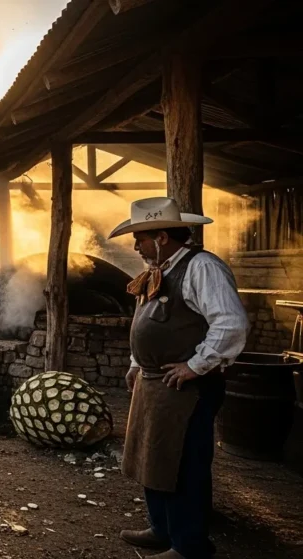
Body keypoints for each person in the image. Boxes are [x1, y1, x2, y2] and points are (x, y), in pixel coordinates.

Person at [108, 197, 249, 559]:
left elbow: (230, 324)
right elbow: (148, 325)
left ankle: (189, 546)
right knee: (152, 458)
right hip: (155, 382)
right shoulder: (160, 271)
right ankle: (162, 529)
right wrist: (137, 363)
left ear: (162, 237)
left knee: (183, 464)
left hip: (186, 387)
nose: (135, 245)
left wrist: (195, 366)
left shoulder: (201, 267)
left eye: (140, 237)